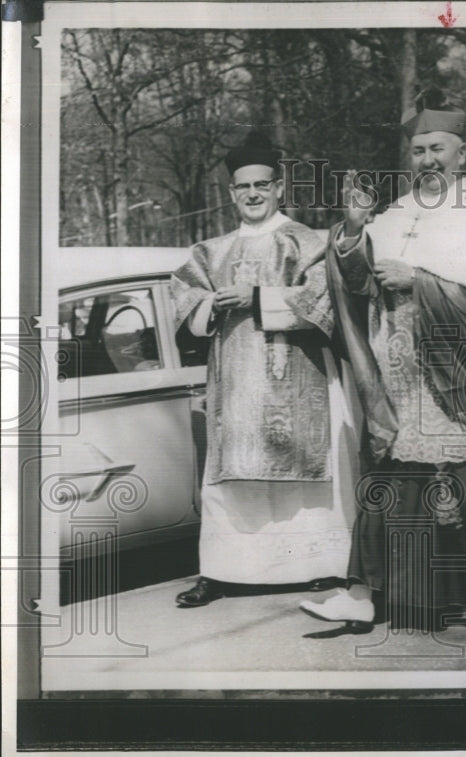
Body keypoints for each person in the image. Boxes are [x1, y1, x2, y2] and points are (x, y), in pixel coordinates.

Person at [299, 91, 466, 633]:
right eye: (417, 151)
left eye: (437, 148)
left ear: (463, 154)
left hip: (460, 367)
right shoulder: (398, 212)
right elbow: (360, 282)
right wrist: (352, 231)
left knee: (465, 470)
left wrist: (421, 281)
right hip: (399, 366)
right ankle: (417, 599)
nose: (427, 160)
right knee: (404, 468)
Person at [169, 132, 369, 618]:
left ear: (279, 187)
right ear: (232, 194)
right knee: (230, 474)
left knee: (310, 469)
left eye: (262, 185)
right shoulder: (209, 251)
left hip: (299, 377)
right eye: (243, 188)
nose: (253, 194)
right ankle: (222, 571)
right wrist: (208, 304)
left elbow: (324, 301)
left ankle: (321, 563)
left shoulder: (308, 241)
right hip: (236, 382)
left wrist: (258, 298)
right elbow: (183, 300)